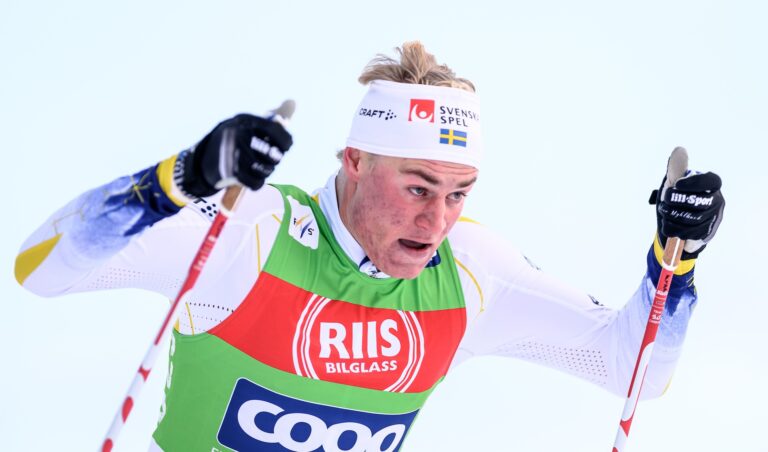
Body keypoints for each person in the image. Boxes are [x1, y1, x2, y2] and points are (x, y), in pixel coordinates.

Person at [15, 41, 724, 452]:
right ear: (355, 161)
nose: (437, 221)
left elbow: (632, 371)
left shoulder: (471, 272)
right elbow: (41, 268)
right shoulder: (254, 232)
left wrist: (677, 261)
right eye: (417, 188)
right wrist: (182, 179)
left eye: (459, 193)